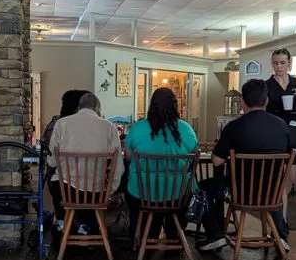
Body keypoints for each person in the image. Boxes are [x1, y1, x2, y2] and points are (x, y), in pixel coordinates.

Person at [199, 79, 291, 252]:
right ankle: (281, 235)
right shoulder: (281, 126)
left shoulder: (234, 127)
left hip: (240, 192)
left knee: (202, 187)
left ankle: (215, 234)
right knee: (274, 186)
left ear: (242, 101)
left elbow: (217, 161)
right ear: (266, 100)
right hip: (272, 192)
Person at [125, 87, 198, 242]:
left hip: (143, 192)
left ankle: (145, 235)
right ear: (175, 106)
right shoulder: (186, 129)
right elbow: (193, 154)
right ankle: (174, 236)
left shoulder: (137, 128)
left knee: (133, 186)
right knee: (182, 190)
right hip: (178, 194)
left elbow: (129, 157)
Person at [47, 92, 124, 235]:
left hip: (67, 191)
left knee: (54, 180)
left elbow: (51, 161)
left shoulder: (61, 124)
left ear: (78, 107)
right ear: (97, 107)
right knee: (90, 191)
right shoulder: (110, 127)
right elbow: (117, 165)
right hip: (95, 193)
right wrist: (110, 190)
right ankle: (85, 225)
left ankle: (63, 222)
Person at [266, 48, 296, 223]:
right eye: (275, 63)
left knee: (292, 177)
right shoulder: (267, 85)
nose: (279, 66)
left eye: (282, 62)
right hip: (274, 131)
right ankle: (281, 218)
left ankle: (279, 206)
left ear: (289, 62)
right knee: (278, 174)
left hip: (294, 130)